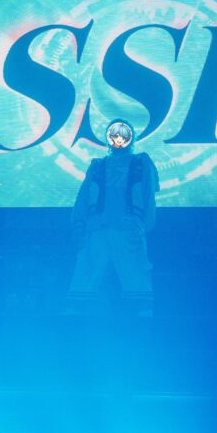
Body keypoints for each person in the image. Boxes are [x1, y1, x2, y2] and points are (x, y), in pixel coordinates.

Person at [68, 118, 158, 316]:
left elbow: (148, 194)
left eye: (122, 134)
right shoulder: (97, 166)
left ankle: (143, 315)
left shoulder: (141, 163)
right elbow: (83, 197)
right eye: (114, 134)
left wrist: (145, 224)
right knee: (87, 271)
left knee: (135, 272)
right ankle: (76, 316)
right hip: (98, 227)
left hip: (128, 227)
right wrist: (79, 224)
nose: (118, 138)